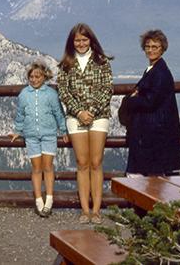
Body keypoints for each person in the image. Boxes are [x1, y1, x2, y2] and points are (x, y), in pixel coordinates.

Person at [57, 23, 113, 224]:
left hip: (99, 116)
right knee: (82, 163)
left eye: (84, 39)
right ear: (72, 42)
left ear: (91, 40)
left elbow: (107, 89)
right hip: (75, 117)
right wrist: (79, 112)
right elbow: (63, 91)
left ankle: (97, 210)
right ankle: (84, 210)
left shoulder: (102, 62)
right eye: (77, 40)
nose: (81, 43)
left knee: (96, 162)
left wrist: (92, 112)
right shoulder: (65, 64)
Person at [9, 62, 68, 217]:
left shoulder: (51, 94)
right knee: (36, 168)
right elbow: (21, 114)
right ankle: (38, 200)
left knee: (48, 166)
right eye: (31, 77)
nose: (34, 79)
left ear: (44, 77)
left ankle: (49, 199)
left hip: (49, 134)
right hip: (31, 136)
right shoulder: (24, 94)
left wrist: (63, 130)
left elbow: (58, 112)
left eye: (38, 76)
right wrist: (17, 130)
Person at [123, 29, 180, 176]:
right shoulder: (154, 69)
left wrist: (130, 100)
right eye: (148, 47)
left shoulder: (160, 73)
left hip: (155, 134)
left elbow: (151, 102)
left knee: (150, 179)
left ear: (162, 49)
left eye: (155, 47)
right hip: (153, 131)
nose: (150, 50)